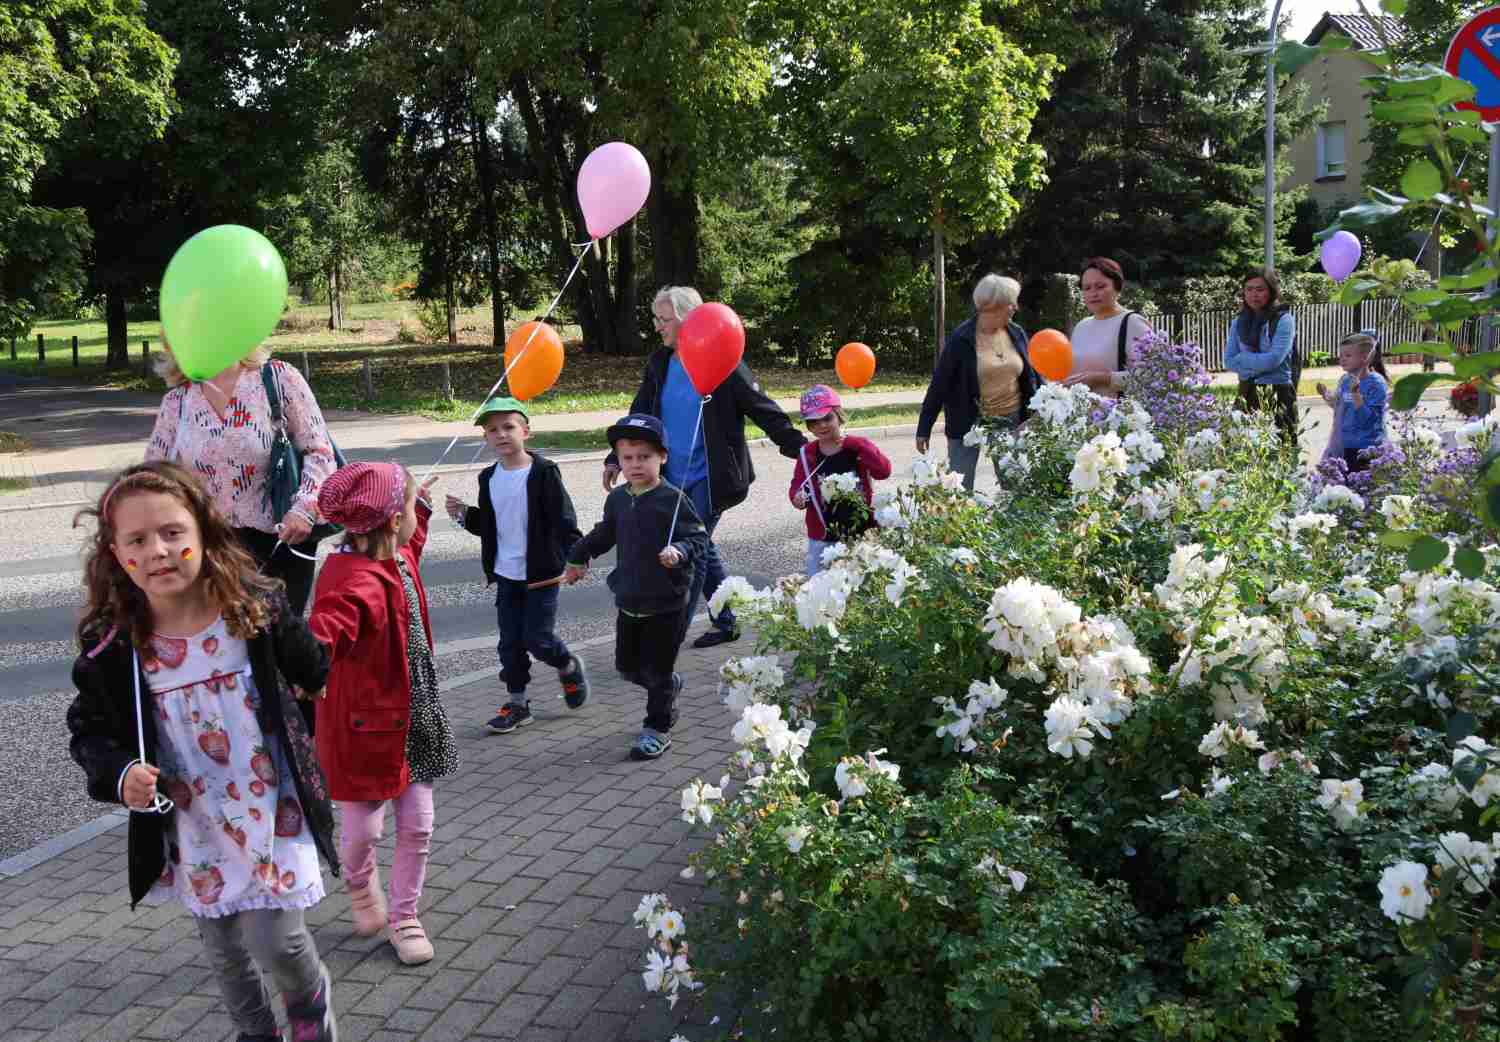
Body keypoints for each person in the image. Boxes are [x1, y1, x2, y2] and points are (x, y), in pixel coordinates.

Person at [66, 460, 338, 1042]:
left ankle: (309, 1005)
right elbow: (90, 732)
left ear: (204, 533)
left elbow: (312, 667)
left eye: (172, 532)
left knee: (277, 940)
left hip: (273, 808)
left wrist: (309, 680)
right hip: (194, 820)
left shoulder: (253, 609)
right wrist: (121, 774)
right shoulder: (114, 644)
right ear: (116, 553)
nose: (158, 551)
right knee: (225, 949)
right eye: (138, 540)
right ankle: (254, 1032)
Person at [308, 462, 456, 966]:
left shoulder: (395, 551)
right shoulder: (353, 581)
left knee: (418, 825)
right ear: (393, 521)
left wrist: (422, 506)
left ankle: (405, 915)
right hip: (365, 727)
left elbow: (414, 543)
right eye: (410, 507)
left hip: (416, 715)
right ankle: (359, 882)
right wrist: (303, 654)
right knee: (363, 833)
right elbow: (328, 628)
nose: (415, 517)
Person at [605, 286, 806, 649]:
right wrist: (613, 456)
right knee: (701, 545)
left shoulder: (722, 360)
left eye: (664, 319)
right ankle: (726, 619)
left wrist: (803, 451)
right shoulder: (660, 362)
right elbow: (641, 411)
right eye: (656, 319)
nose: (658, 327)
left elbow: (763, 408)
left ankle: (668, 639)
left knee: (686, 554)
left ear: (689, 320)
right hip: (670, 476)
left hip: (710, 480)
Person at [146, 343, 337, 617]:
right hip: (210, 549)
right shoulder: (177, 401)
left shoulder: (279, 378)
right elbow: (153, 478)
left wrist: (304, 509)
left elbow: (319, 451)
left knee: (275, 637)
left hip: (282, 540)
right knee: (221, 637)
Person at [445, 396, 589, 735]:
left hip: (542, 573)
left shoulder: (543, 472)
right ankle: (518, 704)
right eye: (492, 430)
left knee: (538, 639)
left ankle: (567, 664)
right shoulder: (488, 478)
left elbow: (564, 519)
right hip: (506, 574)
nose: (501, 434)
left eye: (508, 427)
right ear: (485, 437)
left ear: (526, 432)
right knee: (509, 644)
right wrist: (464, 514)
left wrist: (577, 556)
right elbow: (490, 525)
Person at [569, 415, 708, 761]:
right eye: (627, 458)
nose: (635, 464)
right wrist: (579, 555)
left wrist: (680, 551)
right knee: (628, 668)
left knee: (657, 672)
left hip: (666, 602)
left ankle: (657, 728)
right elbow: (605, 533)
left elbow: (698, 539)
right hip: (629, 598)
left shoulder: (673, 499)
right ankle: (667, 687)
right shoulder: (618, 499)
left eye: (644, 457)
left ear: (662, 457)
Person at [916, 274, 1041, 491]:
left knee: (1017, 488)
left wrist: (1043, 405)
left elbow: (1031, 373)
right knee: (960, 489)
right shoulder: (961, 339)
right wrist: (924, 428)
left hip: (1011, 420)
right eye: (1011, 302)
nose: (1015, 307)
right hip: (967, 422)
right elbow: (939, 384)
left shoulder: (1016, 332)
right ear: (994, 306)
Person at [789, 385, 892, 575]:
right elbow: (798, 482)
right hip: (823, 535)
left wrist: (860, 445)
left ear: (839, 415)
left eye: (827, 418)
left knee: (864, 579)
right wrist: (796, 496)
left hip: (862, 530)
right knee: (819, 581)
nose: (821, 425)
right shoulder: (807, 453)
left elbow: (883, 471)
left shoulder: (857, 447)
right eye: (813, 422)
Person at [1225, 269, 1299, 442]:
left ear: (1271, 291)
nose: (1254, 295)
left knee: (1281, 450)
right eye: (1249, 289)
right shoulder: (1238, 322)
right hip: (1246, 391)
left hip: (1278, 394)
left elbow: (1273, 360)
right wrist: (1255, 364)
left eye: (1260, 289)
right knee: (1241, 450)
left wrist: (1243, 359)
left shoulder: (1283, 320)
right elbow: (1228, 361)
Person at [1064, 257, 1154, 396]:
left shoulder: (1133, 323)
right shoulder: (1081, 327)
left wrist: (1104, 379)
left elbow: (1153, 376)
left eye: (1100, 286)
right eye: (1087, 288)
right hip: (1080, 409)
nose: (1093, 293)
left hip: (1121, 409)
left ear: (1117, 287)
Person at [1317, 330, 1389, 472]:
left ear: (1365, 357)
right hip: (1346, 445)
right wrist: (1325, 395)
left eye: (1348, 355)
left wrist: (1356, 394)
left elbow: (1369, 420)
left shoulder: (1376, 383)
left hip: (1368, 447)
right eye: (1341, 355)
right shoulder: (1345, 380)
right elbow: (1340, 407)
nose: (1342, 359)